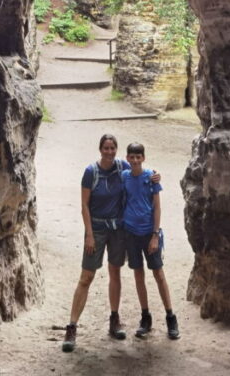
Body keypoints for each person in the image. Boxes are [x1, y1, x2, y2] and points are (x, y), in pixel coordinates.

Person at [61, 133, 160, 353]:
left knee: (115, 271)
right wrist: (88, 234)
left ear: (116, 150)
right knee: (86, 276)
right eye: (105, 148)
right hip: (96, 228)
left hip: (117, 229)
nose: (109, 152)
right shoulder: (90, 172)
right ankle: (72, 326)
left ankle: (114, 319)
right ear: (100, 149)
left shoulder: (121, 166)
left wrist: (155, 174)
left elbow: (139, 169)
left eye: (112, 148)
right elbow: (84, 205)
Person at [123, 141, 180, 341]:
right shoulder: (124, 176)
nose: (136, 160)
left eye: (139, 157)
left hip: (149, 233)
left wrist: (155, 234)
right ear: (128, 158)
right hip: (130, 232)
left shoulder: (151, 178)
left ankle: (171, 316)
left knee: (158, 273)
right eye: (132, 157)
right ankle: (145, 317)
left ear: (143, 158)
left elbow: (157, 207)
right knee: (138, 274)